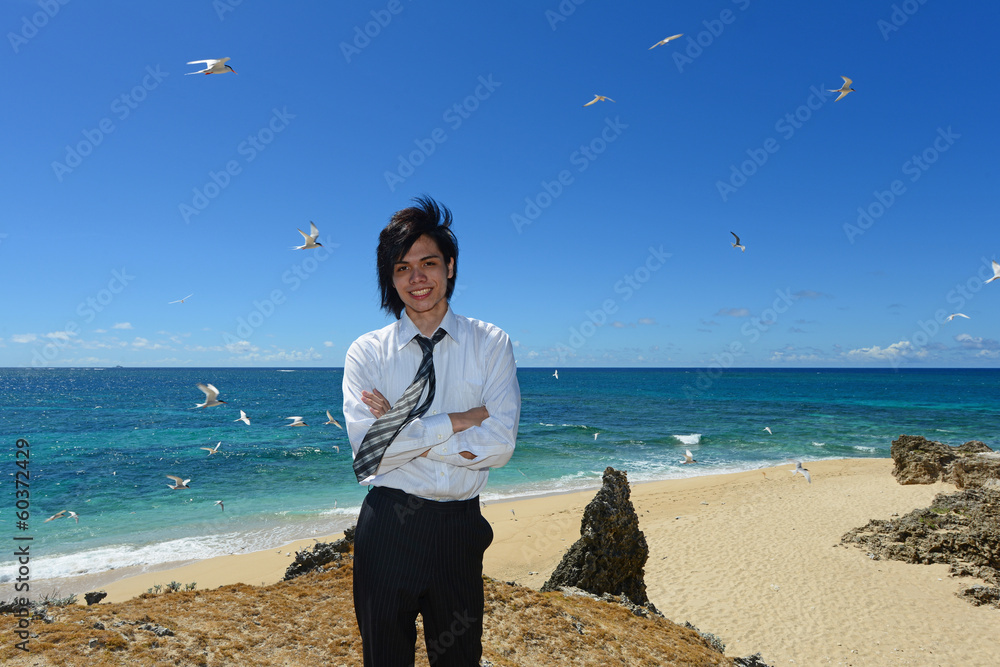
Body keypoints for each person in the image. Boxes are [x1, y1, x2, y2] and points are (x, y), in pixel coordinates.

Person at [342, 196, 520, 666]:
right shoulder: (366, 353)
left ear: (450, 266)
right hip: (388, 526)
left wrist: (403, 432)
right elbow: (368, 453)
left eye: (428, 263)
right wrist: (457, 421)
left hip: (459, 530)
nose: (416, 278)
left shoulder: (491, 343)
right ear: (390, 277)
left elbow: (501, 445)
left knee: (459, 659)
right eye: (402, 267)